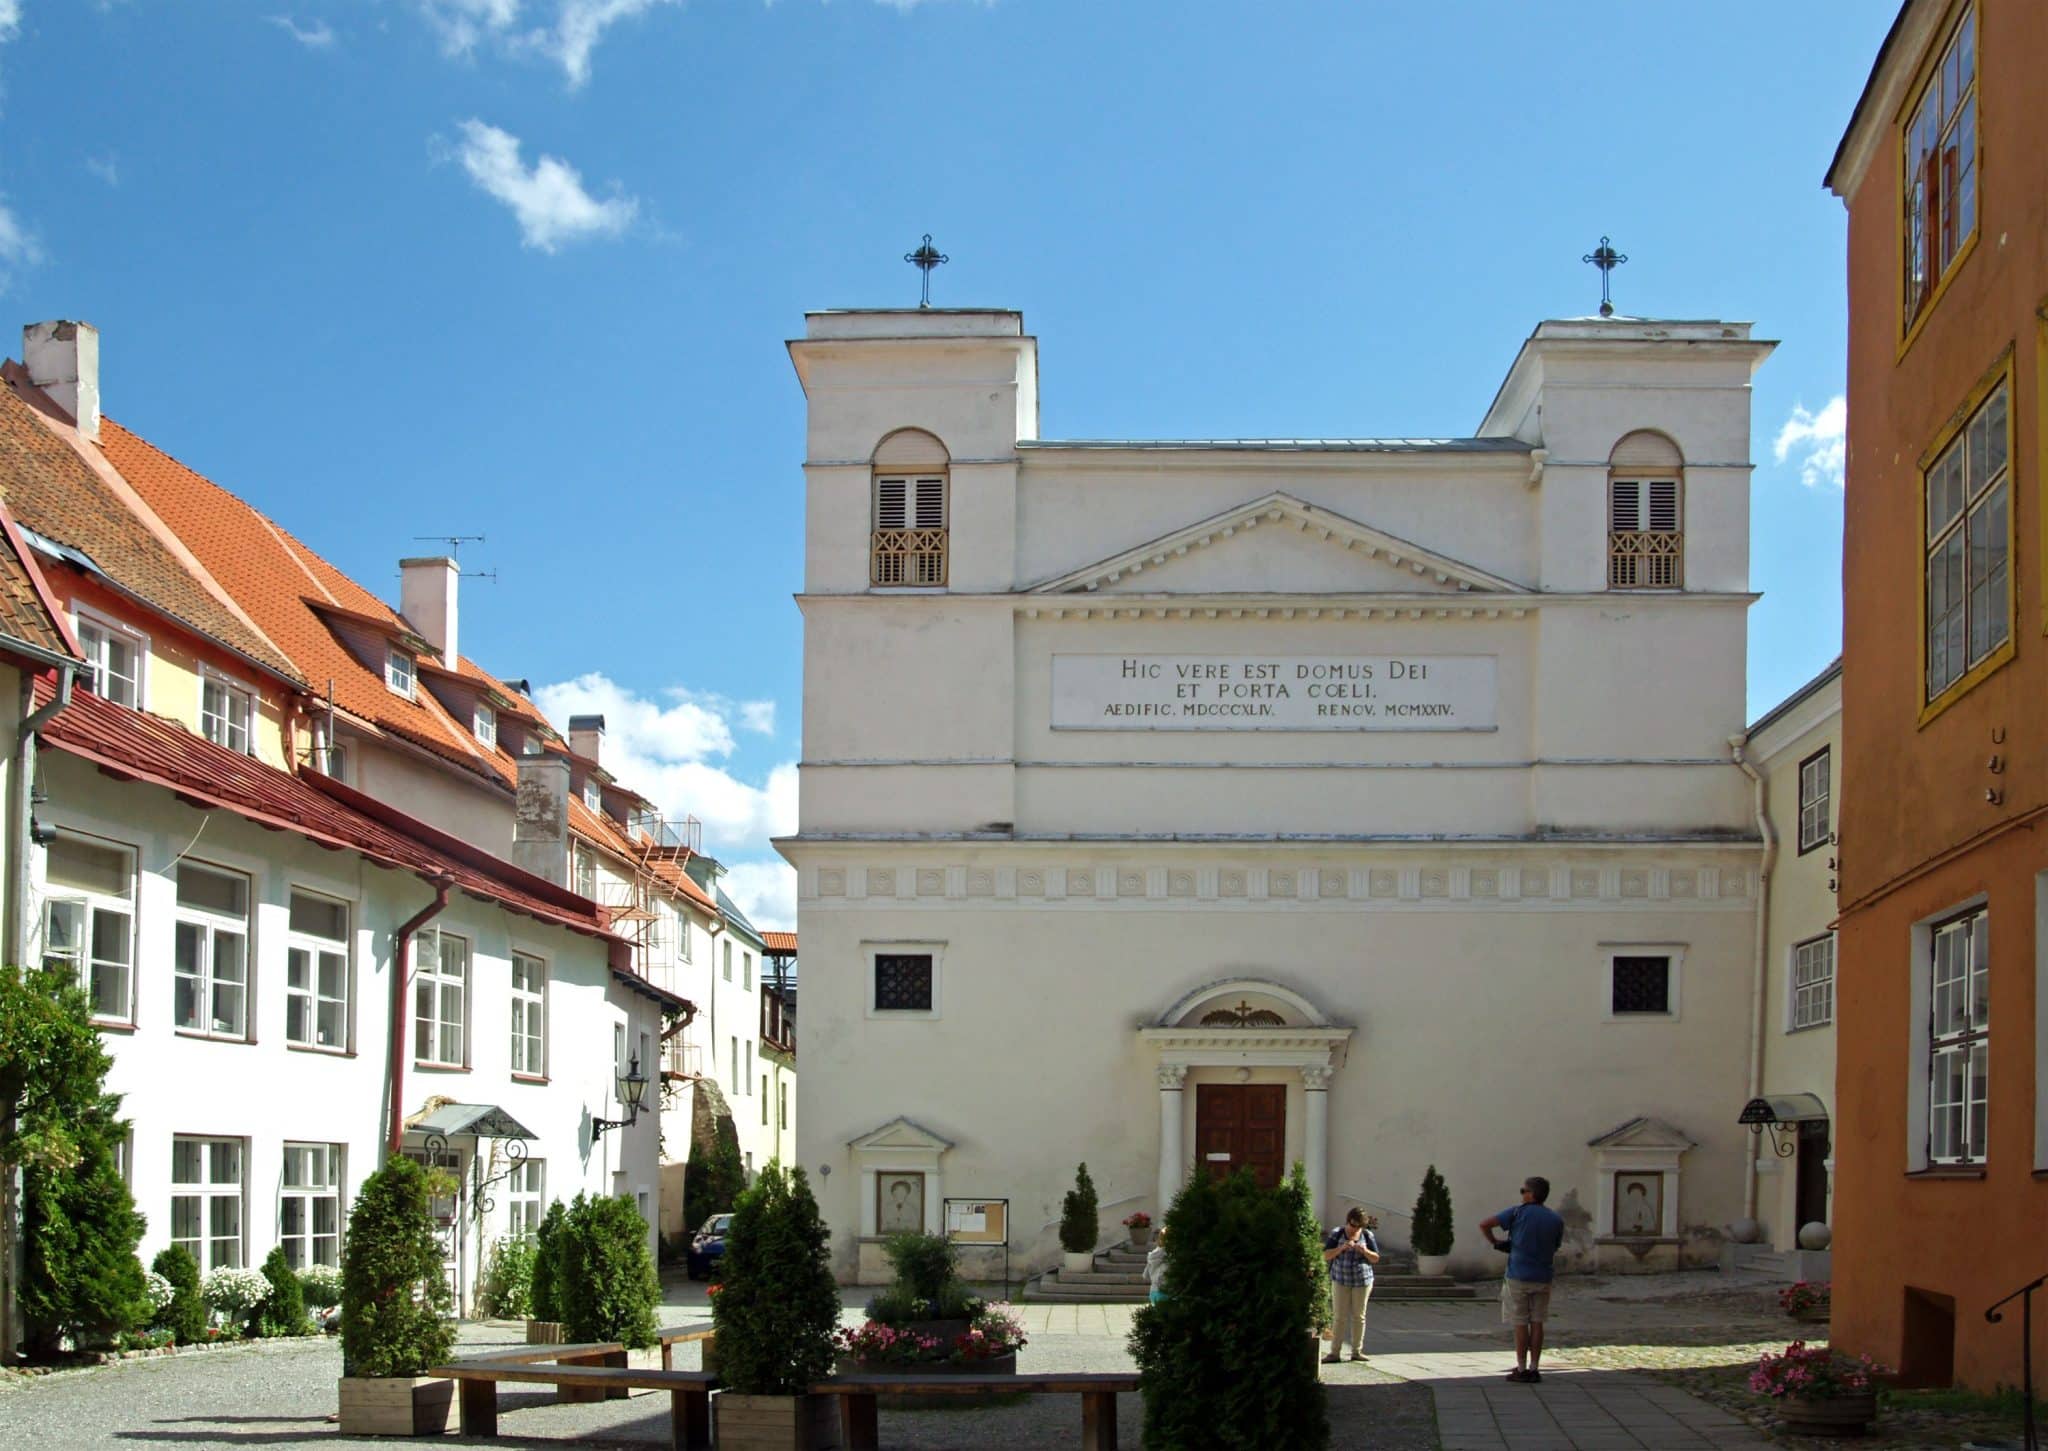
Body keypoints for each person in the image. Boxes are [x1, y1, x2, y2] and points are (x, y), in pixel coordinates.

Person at [1479, 1175, 1566, 1383]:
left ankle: (1521, 1367)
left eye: (1523, 1190)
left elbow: (1485, 1224)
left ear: (1531, 1194)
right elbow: (1555, 1246)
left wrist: (1497, 1243)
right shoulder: (1555, 1219)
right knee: (1537, 1322)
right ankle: (1535, 1368)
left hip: (1518, 1274)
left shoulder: (1517, 1212)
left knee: (1519, 1322)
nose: (1521, 1194)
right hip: (1543, 1276)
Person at [1321, 1207, 1379, 1363]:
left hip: (1362, 1281)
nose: (1355, 1229)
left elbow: (1375, 1258)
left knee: (1359, 1316)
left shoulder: (1367, 1235)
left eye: (1359, 1226)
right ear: (1348, 1221)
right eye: (1353, 1225)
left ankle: (1356, 1351)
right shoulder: (1337, 1233)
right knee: (1339, 1316)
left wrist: (1365, 1251)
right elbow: (1325, 1255)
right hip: (1340, 1279)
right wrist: (1341, 1248)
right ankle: (1334, 1352)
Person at [1144, 1224, 1168, 1305]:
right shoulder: (1170, 1255)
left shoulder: (1153, 1254)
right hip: (1166, 1292)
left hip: (1153, 1291)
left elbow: (1145, 1275)